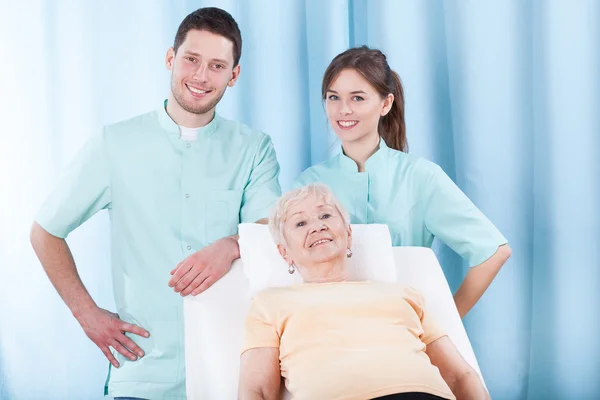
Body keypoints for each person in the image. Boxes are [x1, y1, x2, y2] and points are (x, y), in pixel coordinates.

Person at [29, 7, 281, 399]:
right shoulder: (114, 144)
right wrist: (86, 314)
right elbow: (45, 232)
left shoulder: (254, 149)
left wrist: (230, 245)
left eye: (217, 66)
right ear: (170, 58)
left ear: (234, 76)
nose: (200, 76)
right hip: (143, 373)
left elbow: (270, 231)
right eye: (191, 59)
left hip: (231, 372)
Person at [295, 46, 511, 318]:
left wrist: (444, 323)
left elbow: (493, 251)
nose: (343, 109)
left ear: (386, 104)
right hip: (329, 329)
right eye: (333, 97)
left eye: (358, 98)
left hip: (402, 334)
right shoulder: (308, 184)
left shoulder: (420, 176)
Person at [238, 183, 489, 400]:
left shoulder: (404, 294)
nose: (317, 227)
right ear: (284, 252)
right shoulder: (270, 303)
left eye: (325, 216)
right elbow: (257, 389)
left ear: (348, 235)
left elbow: (461, 376)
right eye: (300, 223)